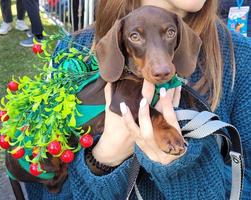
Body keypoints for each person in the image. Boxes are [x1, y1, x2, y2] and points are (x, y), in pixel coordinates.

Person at [24, 0, 251, 199]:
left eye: (170, 33)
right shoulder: (73, 52)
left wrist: (180, 170)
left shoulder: (240, 58)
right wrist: (103, 159)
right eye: (135, 36)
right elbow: (44, 188)